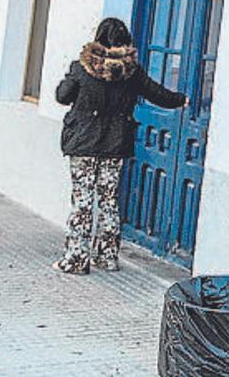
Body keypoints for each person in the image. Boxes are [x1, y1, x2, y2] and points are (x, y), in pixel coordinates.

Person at [53, 18, 187, 274]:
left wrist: (74, 78)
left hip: (83, 143)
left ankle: (76, 260)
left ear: (98, 38)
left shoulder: (82, 67)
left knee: (82, 202)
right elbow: (158, 94)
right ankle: (107, 257)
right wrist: (183, 100)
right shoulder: (131, 71)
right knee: (108, 200)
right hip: (115, 145)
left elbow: (62, 96)